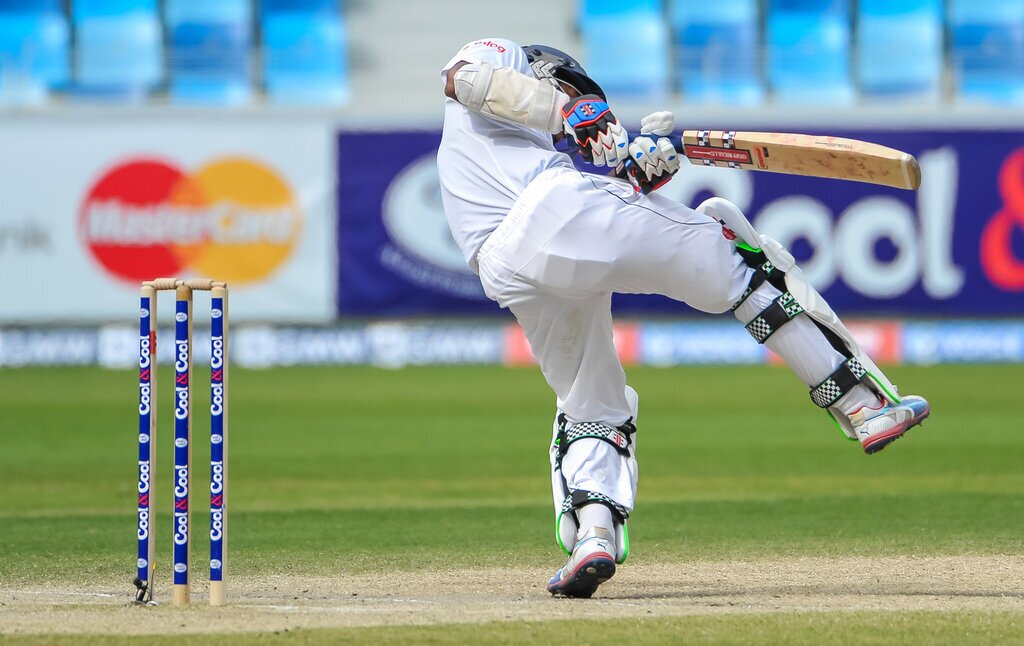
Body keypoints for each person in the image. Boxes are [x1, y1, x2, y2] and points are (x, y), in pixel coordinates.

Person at [436, 37, 930, 599]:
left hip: (508, 267)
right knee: (736, 252)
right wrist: (567, 109)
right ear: (554, 74)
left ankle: (593, 537)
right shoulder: (505, 58)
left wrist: (636, 170)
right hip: (546, 215)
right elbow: (463, 80)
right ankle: (862, 406)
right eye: (574, 95)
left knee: (590, 397)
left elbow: (603, 223)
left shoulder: (511, 147)